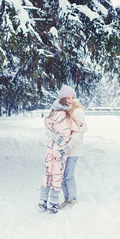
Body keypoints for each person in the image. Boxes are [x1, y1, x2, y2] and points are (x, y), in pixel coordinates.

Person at [39, 85, 87, 213]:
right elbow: (49, 128)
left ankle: (72, 199)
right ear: (63, 99)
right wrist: (55, 137)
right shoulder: (61, 110)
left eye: (73, 97)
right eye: (68, 98)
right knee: (62, 175)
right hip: (61, 150)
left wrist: (67, 146)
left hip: (73, 149)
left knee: (68, 175)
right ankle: (67, 198)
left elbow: (78, 132)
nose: (71, 100)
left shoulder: (77, 111)